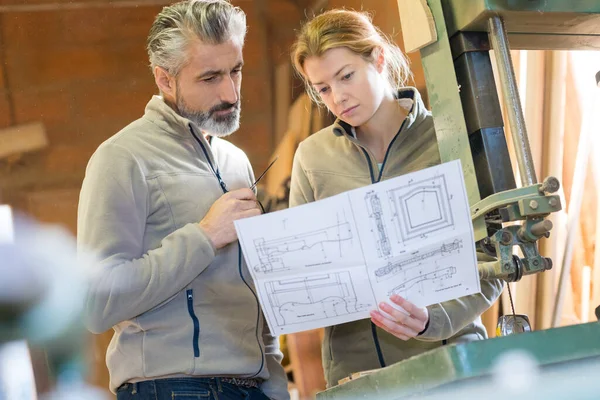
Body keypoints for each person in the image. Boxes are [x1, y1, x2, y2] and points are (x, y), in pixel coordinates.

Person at [77, 1, 289, 399]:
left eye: (236, 70)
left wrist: (276, 386)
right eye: (210, 77)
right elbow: (95, 302)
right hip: (172, 388)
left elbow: (254, 293)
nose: (230, 92)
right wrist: (205, 237)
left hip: (254, 388)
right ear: (165, 79)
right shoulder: (121, 159)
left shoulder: (236, 162)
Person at [289, 9, 504, 387]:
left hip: (452, 364)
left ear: (379, 58)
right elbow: (301, 273)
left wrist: (431, 319)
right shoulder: (311, 157)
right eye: (323, 88)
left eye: (346, 76)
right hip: (355, 377)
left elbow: (494, 259)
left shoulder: (449, 139)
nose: (337, 97)